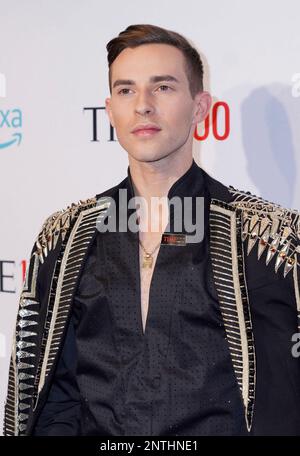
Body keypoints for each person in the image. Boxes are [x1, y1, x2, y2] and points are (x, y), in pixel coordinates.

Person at [3, 23, 300, 436]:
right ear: (110, 111)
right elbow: (51, 402)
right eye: (126, 90)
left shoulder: (268, 239)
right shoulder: (65, 238)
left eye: (162, 87)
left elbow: (284, 403)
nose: (143, 105)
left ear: (200, 107)